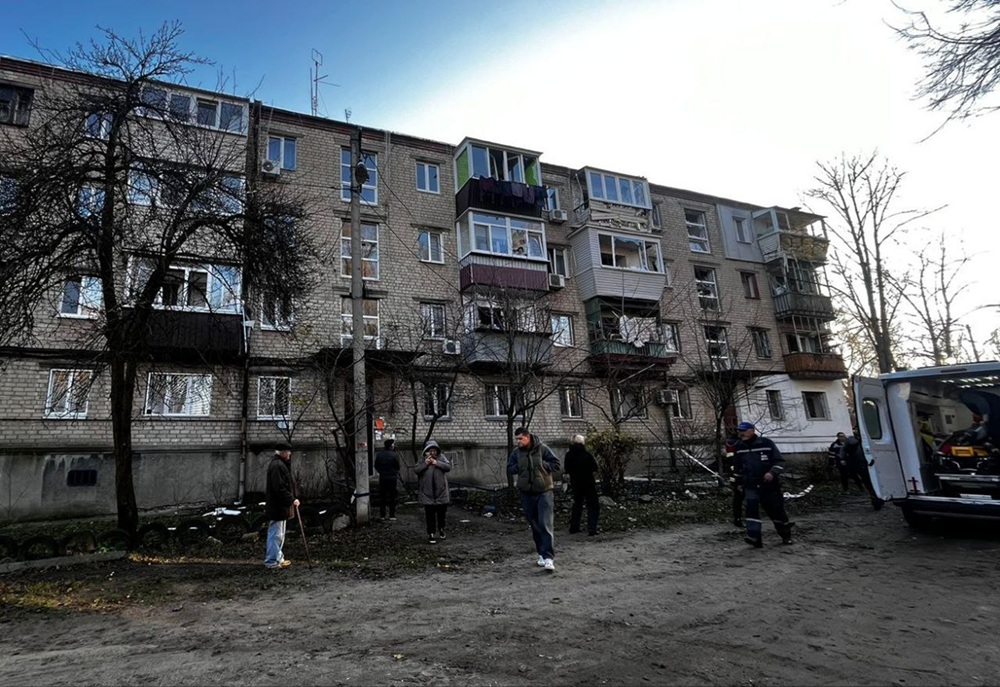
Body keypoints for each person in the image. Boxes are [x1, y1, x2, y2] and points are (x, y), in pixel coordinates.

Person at [507, 426, 560, 572]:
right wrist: (519, 468)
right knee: (535, 525)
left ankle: (549, 557)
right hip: (526, 493)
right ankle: (541, 554)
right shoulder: (516, 453)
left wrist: (543, 465)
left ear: (527, 437)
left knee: (545, 524)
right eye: (516, 439)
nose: (518, 441)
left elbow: (556, 464)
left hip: (544, 491)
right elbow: (510, 468)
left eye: (520, 438)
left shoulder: (543, 449)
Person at [732, 421, 793, 548]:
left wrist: (772, 473)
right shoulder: (739, 447)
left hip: (769, 485)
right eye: (739, 431)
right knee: (751, 510)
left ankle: (785, 535)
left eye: (743, 431)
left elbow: (779, 461)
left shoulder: (766, 443)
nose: (741, 433)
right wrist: (738, 483)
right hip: (750, 484)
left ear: (752, 431)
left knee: (775, 510)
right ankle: (754, 537)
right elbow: (738, 467)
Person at [264, 440, 299, 569]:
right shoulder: (278, 466)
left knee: (278, 533)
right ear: (283, 453)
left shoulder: (278, 464)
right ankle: (272, 560)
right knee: (276, 534)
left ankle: (277, 558)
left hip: (279, 505)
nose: (290, 454)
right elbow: (279, 487)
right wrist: (291, 499)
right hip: (278, 506)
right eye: (288, 452)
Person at [414, 440, 451, 544]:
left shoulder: (441, 458)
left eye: (434, 451)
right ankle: (431, 533)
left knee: (441, 515)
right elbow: (416, 470)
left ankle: (441, 528)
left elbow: (448, 467)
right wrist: (425, 464)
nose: (432, 453)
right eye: (430, 451)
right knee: (429, 515)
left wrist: (436, 463)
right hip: (427, 493)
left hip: (441, 492)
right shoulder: (422, 459)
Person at [564, 434, 600, 536]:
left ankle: (574, 526)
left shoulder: (568, 455)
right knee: (593, 505)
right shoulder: (586, 455)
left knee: (577, 504)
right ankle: (592, 528)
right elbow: (595, 467)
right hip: (588, 483)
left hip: (576, 483)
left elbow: (567, 469)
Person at [841, 429, 883, 510]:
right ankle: (875, 498)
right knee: (871, 482)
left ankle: (875, 497)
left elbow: (843, 450)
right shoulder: (853, 441)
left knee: (870, 482)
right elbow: (843, 450)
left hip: (864, 465)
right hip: (865, 464)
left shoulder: (853, 441)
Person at [374, 438, 401, 520]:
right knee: (392, 497)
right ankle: (392, 515)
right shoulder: (395, 455)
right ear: (391, 446)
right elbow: (398, 466)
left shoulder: (379, 454)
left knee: (382, 497)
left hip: (383, 477)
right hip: (392, 478)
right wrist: (394, 471)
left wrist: (381, 472)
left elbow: (376, 465)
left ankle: (382, 515)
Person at [724, 434, 744, 528]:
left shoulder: (730, 444)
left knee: (737, 498)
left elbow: (729, 461)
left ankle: (738, 518)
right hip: (740, 474)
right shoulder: (739, 443)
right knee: (740, 498)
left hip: (733, 474)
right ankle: (739, 519)